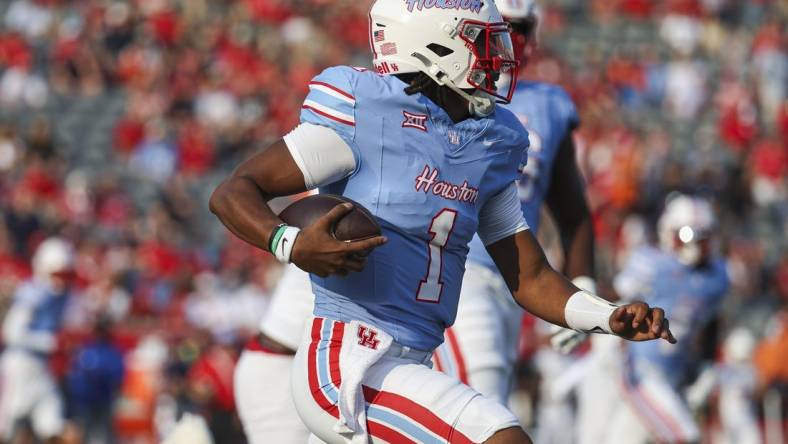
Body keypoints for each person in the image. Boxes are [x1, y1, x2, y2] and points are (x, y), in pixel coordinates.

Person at [210, 1, 675, 442]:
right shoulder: (368, 112)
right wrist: (288, 243)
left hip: (414, 360)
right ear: (434, 45)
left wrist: (607, 316)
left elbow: (530, 276)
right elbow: (235, 190)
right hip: (349, 362)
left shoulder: (491, 141)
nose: (500, 55)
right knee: (500, 435)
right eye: (483, 41)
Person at [432, 0, 597, 409]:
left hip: (516, 283)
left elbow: (571, 209)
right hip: (455, 268)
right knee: (482, 407)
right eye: (501, 25)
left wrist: (582, 284)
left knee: (488, 403)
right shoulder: (438, 86)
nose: (509, 38)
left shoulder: (549, 103)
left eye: (519, 28)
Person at [587, 194, 728, 444]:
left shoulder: (717, 275)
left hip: (674, 374)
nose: (701, 243)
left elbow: (711, 320)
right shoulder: (653, 264)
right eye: (690, 234)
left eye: (705, 235)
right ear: (669, 232)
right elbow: (615, 295)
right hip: (640, 370)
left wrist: (707, 365)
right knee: (684, 435)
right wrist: (580, 305)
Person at [0, 237, 74, 443]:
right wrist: (49, 342)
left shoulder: (60, 297)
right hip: (19, 365)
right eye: (58, 274)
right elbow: (12, 332)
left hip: (42, 369)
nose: (62, 281)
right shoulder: (32, 294)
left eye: (66, 275)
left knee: (54, 426)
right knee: (7, 427)